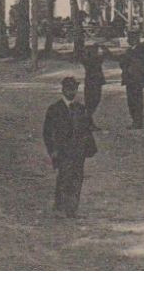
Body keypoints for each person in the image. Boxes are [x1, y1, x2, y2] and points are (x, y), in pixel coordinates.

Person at [42, 76, 97, 218]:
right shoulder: (54, 109)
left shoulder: (81, 108)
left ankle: (72, 209)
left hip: (78, 150)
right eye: (69, 89)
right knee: (64, 177)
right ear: (63, 90)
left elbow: (88, 128)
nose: (72, 92)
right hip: (63, 151)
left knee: (77, 178)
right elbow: (47, 133)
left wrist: (87, 146)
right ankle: (60, 207)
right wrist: (52, 150)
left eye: (74, 89)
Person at [118, 33, 144, 129]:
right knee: (131, 101)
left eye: (130, 38)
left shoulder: (142, 50)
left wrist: (130, 62)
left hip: (137, 79)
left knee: (137, 101)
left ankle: (137, 122)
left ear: (135, 39)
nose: (128, 40)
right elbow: (123, 63)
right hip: (129, 79)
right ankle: (135, 121)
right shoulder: (129, 50)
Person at [80, 44, 107, 115]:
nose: (96, 52)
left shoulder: (96, 59)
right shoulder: (90, 61)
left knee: (95, 100)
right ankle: (88, 119)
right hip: (92, 82)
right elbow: (104, 55)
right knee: (92, 101)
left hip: (95, 82)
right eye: (94, 50)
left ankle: (88, 118)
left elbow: (104, 55)